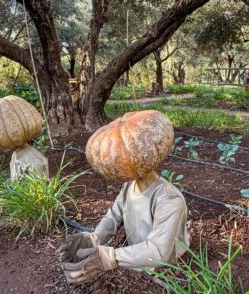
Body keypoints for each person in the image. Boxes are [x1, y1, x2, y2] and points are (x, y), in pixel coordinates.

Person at [58, 111, 189, 284]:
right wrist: (95, 238)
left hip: (164, 265)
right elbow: (114, 215)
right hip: (136, 254)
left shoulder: (169, 200)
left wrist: (109, 257)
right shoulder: (129, 185)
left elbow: (158, 251)